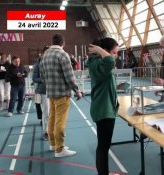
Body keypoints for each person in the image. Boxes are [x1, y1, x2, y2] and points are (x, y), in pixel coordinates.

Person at [40, 34, 82, 158]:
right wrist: (77, 90)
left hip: (51, 93)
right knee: (60, 122)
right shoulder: (63, 54)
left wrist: (50, 85)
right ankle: (60, 149)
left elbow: (42, 76)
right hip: (62, 93)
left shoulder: (45, 54)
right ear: (63, 43)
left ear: (52, 42)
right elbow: (69, 76)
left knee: (52, 119)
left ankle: (53, 144)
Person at [87, 38, 119, 175]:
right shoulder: (98, 64)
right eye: (114, 52)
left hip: (105, 108)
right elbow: (110, 61)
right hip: (103, 110)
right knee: (103, 147)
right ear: (105, 51)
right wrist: (100, 50)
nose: (115, 56)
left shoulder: (97, 64)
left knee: (104, 146)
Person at [33, 46, 50, 140]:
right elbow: (34, 78)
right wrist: (44, 79)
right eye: (47, 52)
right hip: (43, 91)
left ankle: (55, 131)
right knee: (46, 113)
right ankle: (46, 132)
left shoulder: (53, 62)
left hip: (54, 90)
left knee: (54, 113)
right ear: (43, 53)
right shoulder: (37, 64)